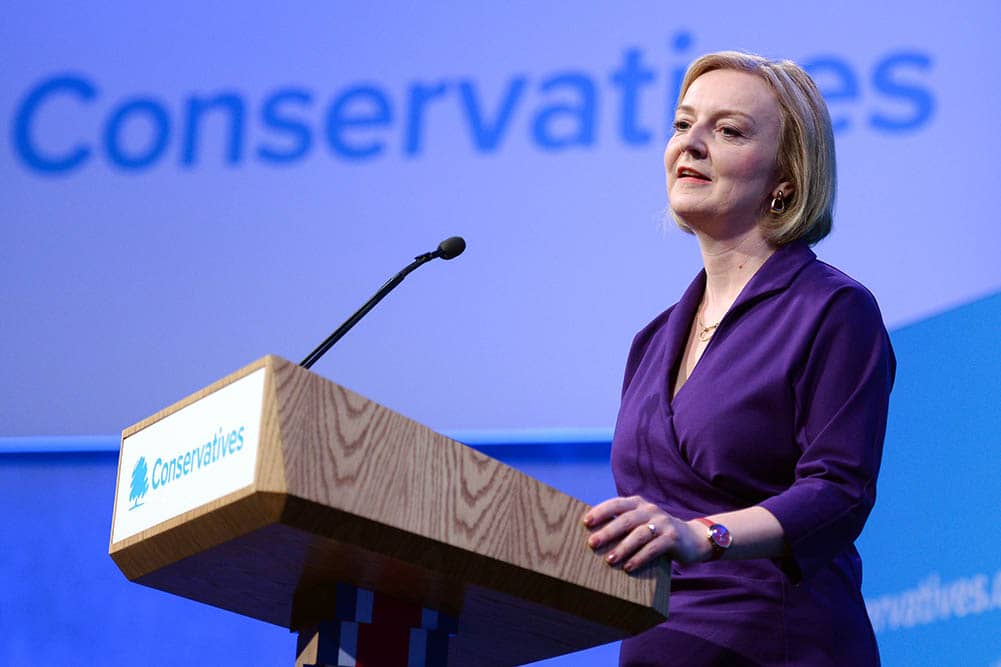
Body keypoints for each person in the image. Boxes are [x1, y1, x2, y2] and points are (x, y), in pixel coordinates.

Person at [582, 51, 895, 666]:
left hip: (777, 644)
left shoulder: (831, 309)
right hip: (658, 647)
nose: (691, 144)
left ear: (786, 179)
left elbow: (838, 492)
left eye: (728, 131)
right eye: (682, 124)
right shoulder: (652, 341)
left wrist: (703, 536)